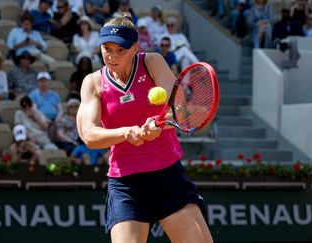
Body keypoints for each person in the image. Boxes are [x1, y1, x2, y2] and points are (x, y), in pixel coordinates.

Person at [76, 14, 213, 242]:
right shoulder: (92, 83)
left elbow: (178, 109)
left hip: (167, 175)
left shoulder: (152, 62)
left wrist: (158, 121)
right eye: (107, 48)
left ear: (135, 48)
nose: (112, 56)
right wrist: (127, 133)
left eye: (121, 49)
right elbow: (89, 135)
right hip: (125, 185)